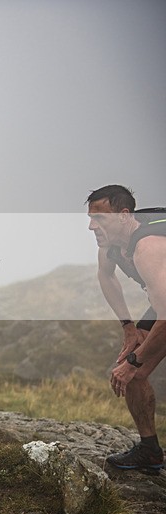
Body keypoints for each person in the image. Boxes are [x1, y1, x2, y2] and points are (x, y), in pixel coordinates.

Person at [87, 185, 166, 471]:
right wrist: (128, 328)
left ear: (123, 216)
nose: (91, 226)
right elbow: (106, 276)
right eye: (91, 218)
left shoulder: (148, 248)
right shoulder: (110, 247)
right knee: (132, 371)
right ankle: (150, 451)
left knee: (131, 366)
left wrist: (134, 362)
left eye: (100, 219)